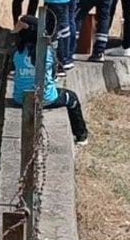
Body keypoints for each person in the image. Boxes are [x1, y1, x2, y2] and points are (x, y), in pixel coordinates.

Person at [11, 15, 89, 145]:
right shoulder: (47, 52)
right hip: (45, 98)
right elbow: (53, 75)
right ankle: (81, 136)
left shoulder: (17, 52)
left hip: (20, 98)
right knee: (72, 98)